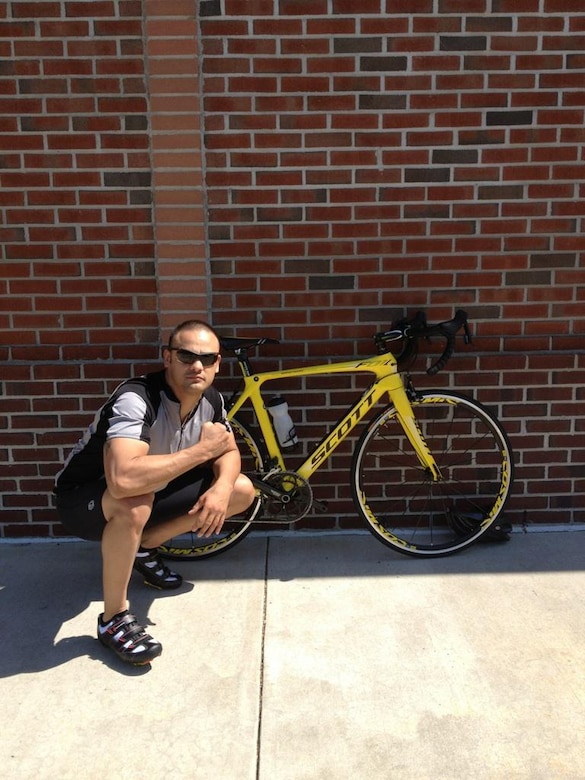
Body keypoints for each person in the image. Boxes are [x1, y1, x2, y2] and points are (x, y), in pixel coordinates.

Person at [54, 320, 256, 665]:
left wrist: (221, 488)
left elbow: (227, 450)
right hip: (83, 501)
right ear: (168, 357)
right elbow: (122, 479)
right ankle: (113, 620)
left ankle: (144, 546)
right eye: (186, 356)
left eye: (208, 359)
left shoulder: (211, 399)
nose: (197, 366)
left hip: (150, 491)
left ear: (218, 363)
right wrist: (200, 453)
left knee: (241, 490)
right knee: (132, 502)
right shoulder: (137, 397)